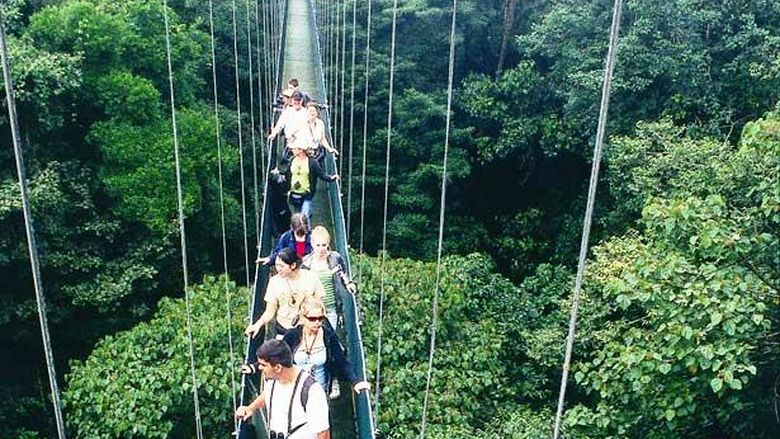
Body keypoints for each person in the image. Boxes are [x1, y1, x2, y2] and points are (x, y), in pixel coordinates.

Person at [235, 340, 330, 439]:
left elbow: (323, 433)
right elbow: (267, 393)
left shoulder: (312, 391)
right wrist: (250, 408)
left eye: (263, 365)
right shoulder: (273, 379)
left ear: (278, 367)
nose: (259, 368)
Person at [283, 296, 370, 400]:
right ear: (302, 318)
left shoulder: (328, 336)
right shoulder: (291, 336)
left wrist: (355, 381)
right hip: (295, 391)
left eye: (320, 318)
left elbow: (341, 361)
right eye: (312, 319)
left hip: (319, 392)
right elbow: (278, 356)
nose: (317, 322)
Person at [245, 248, 325, 337]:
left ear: (293, 265)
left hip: (308, 329)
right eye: (276, 265)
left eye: (282, 266)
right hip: (283, 330)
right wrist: (257, 325)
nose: (278, 269)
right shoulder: (274, 282)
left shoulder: (311, 278)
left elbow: (320, 304)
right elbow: (270, 311)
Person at [301, 226, 356, 329]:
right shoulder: (306, 263)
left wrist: (349, 283)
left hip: (331, 308)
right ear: (312, 244)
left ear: (328, 244)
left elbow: (343, 273)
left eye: (324, 245)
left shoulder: (335, 258)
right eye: (318, 245)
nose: (321, 248)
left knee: (329, 339)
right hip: (313, 311)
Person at [272, 139, 338, 221]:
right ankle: (299, 232)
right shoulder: (292, 160)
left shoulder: (312, 163)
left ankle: (308, 232)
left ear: (301, 150)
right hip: (294, 194)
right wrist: (278, 173)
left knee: (304, 218)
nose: (292, 150)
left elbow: (321, 174)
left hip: (307, 194)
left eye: (294, 148)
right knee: (296, 220)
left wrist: (331, 178)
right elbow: (287, 173)